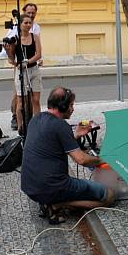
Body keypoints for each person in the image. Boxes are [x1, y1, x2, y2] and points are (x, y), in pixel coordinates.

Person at [21, 87, 115, 223]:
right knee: (109, 196)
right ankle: (57, 204)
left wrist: (75, 135)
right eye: (71, 105)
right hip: (53, 186)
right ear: (62, 106)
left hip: (30, 187)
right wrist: (101, 159)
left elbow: (53, 143)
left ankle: (52, 201)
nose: (72, 109)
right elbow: (81, 159)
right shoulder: (60, 125)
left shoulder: (36, 119)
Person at [6, 3, 41, 130]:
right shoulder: (15, 35)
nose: (29, 23)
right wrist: (8, 51)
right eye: (25, 22)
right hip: (21, 70)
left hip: (33, 68)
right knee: (20, 99)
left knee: (35, 99)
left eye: (33, 14)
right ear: (20, 24)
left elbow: (38, 53)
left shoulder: (36, 31)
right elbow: (12, 58)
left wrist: (29, 61)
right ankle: (19, 124)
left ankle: (37, 124)